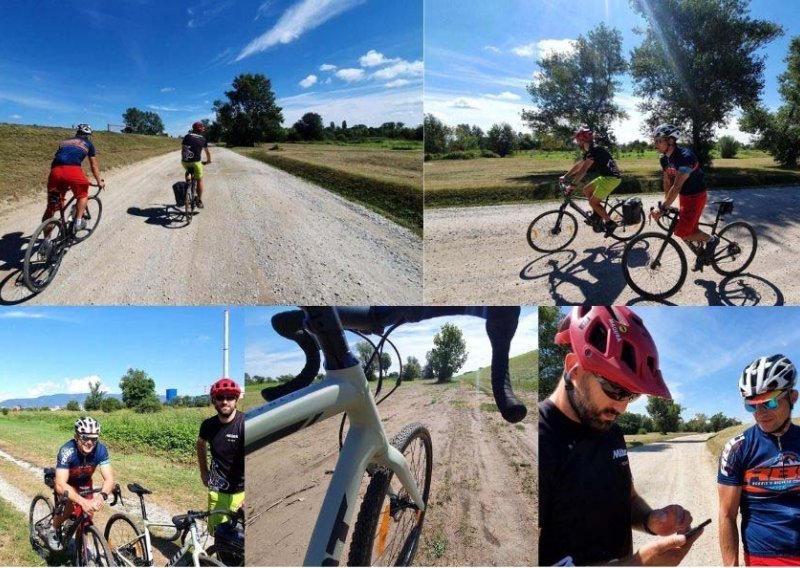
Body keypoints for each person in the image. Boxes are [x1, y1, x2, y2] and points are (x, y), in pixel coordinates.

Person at [539, 306, 703, 566]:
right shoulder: (539, 439)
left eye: (631, 394)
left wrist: (652, 520)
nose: (622, 407)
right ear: (574, 368)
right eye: (614, 388)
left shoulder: (611, 431)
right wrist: (638, 564)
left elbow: (627, 499)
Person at [718, 354, 800, 566]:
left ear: (792, 397)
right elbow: (727, 515)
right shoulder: (738, 448)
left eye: (770, 402)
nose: (760, 413)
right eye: (752, 405)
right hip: (763, 557)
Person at [650, 123, 719, 263]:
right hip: (684, 196)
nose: (656, 144)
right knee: (690, 229)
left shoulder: (686, 157)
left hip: (696, 195)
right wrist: (666, 204)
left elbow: (676, 186)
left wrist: (662, 207)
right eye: (655, 141)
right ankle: (703, 256)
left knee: (682, 231)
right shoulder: (664, 159)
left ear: (670, 141)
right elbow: (667, 182)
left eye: (659, 140)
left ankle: (712, 240)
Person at [48, 416, 114, 550]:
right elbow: (61, 484)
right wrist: (82, 501)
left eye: (94, 438)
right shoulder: (67, 451)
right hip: (67, 484)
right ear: (76, 436)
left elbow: (109, 479)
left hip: (85, 484)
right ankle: (54, 527)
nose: (90, 442)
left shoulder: (101, 450)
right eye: (85, 438)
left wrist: (102, 496)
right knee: (70, 508)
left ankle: (80, 550)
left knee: (86, 517)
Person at [43, 124, 105, 244]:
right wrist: (99, 181)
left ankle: (46, 243)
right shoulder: (89, 144)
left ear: (77, 133)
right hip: (73, 171)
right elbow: (94, 165)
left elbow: (56, 159)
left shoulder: (65, 142)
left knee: (51, 208)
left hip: (55, 172)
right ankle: (78, 221)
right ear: (88, 136)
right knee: (82, 195)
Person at [197, 378, 244, 532]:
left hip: (241, 493)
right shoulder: (208, 425)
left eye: (230, 397)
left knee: (238, 540)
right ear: (213, 401)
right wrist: (204, 472)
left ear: (236, 399)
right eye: (220, 397)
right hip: (217, 490)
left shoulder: (244, 424)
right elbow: (200, 443)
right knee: (218, 534)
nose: (225, 402)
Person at [559, 126, 623, 237]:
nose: (577, 142)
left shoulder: (595, 150)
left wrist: (573, 185)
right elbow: (579, 165)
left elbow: (583, 170)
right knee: (586, 190)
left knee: (593, 202)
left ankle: (609, 223)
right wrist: (566, 176)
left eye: (578, 140)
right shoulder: (591, 151)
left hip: (611, 179)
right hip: (605, 177)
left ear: (583, 140)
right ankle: (597, 214)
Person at [181, 121, 212, 209]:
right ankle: (199, 200)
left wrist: (184, 159)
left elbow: (183, 150)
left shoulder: (187, 136)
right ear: (201, 130)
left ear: (193, 129)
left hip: (185, 161)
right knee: (199, 179)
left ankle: (188, 183)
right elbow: (207, 152)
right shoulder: (203, 139)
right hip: (196, 163)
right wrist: (208, 161)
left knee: (187, 172)